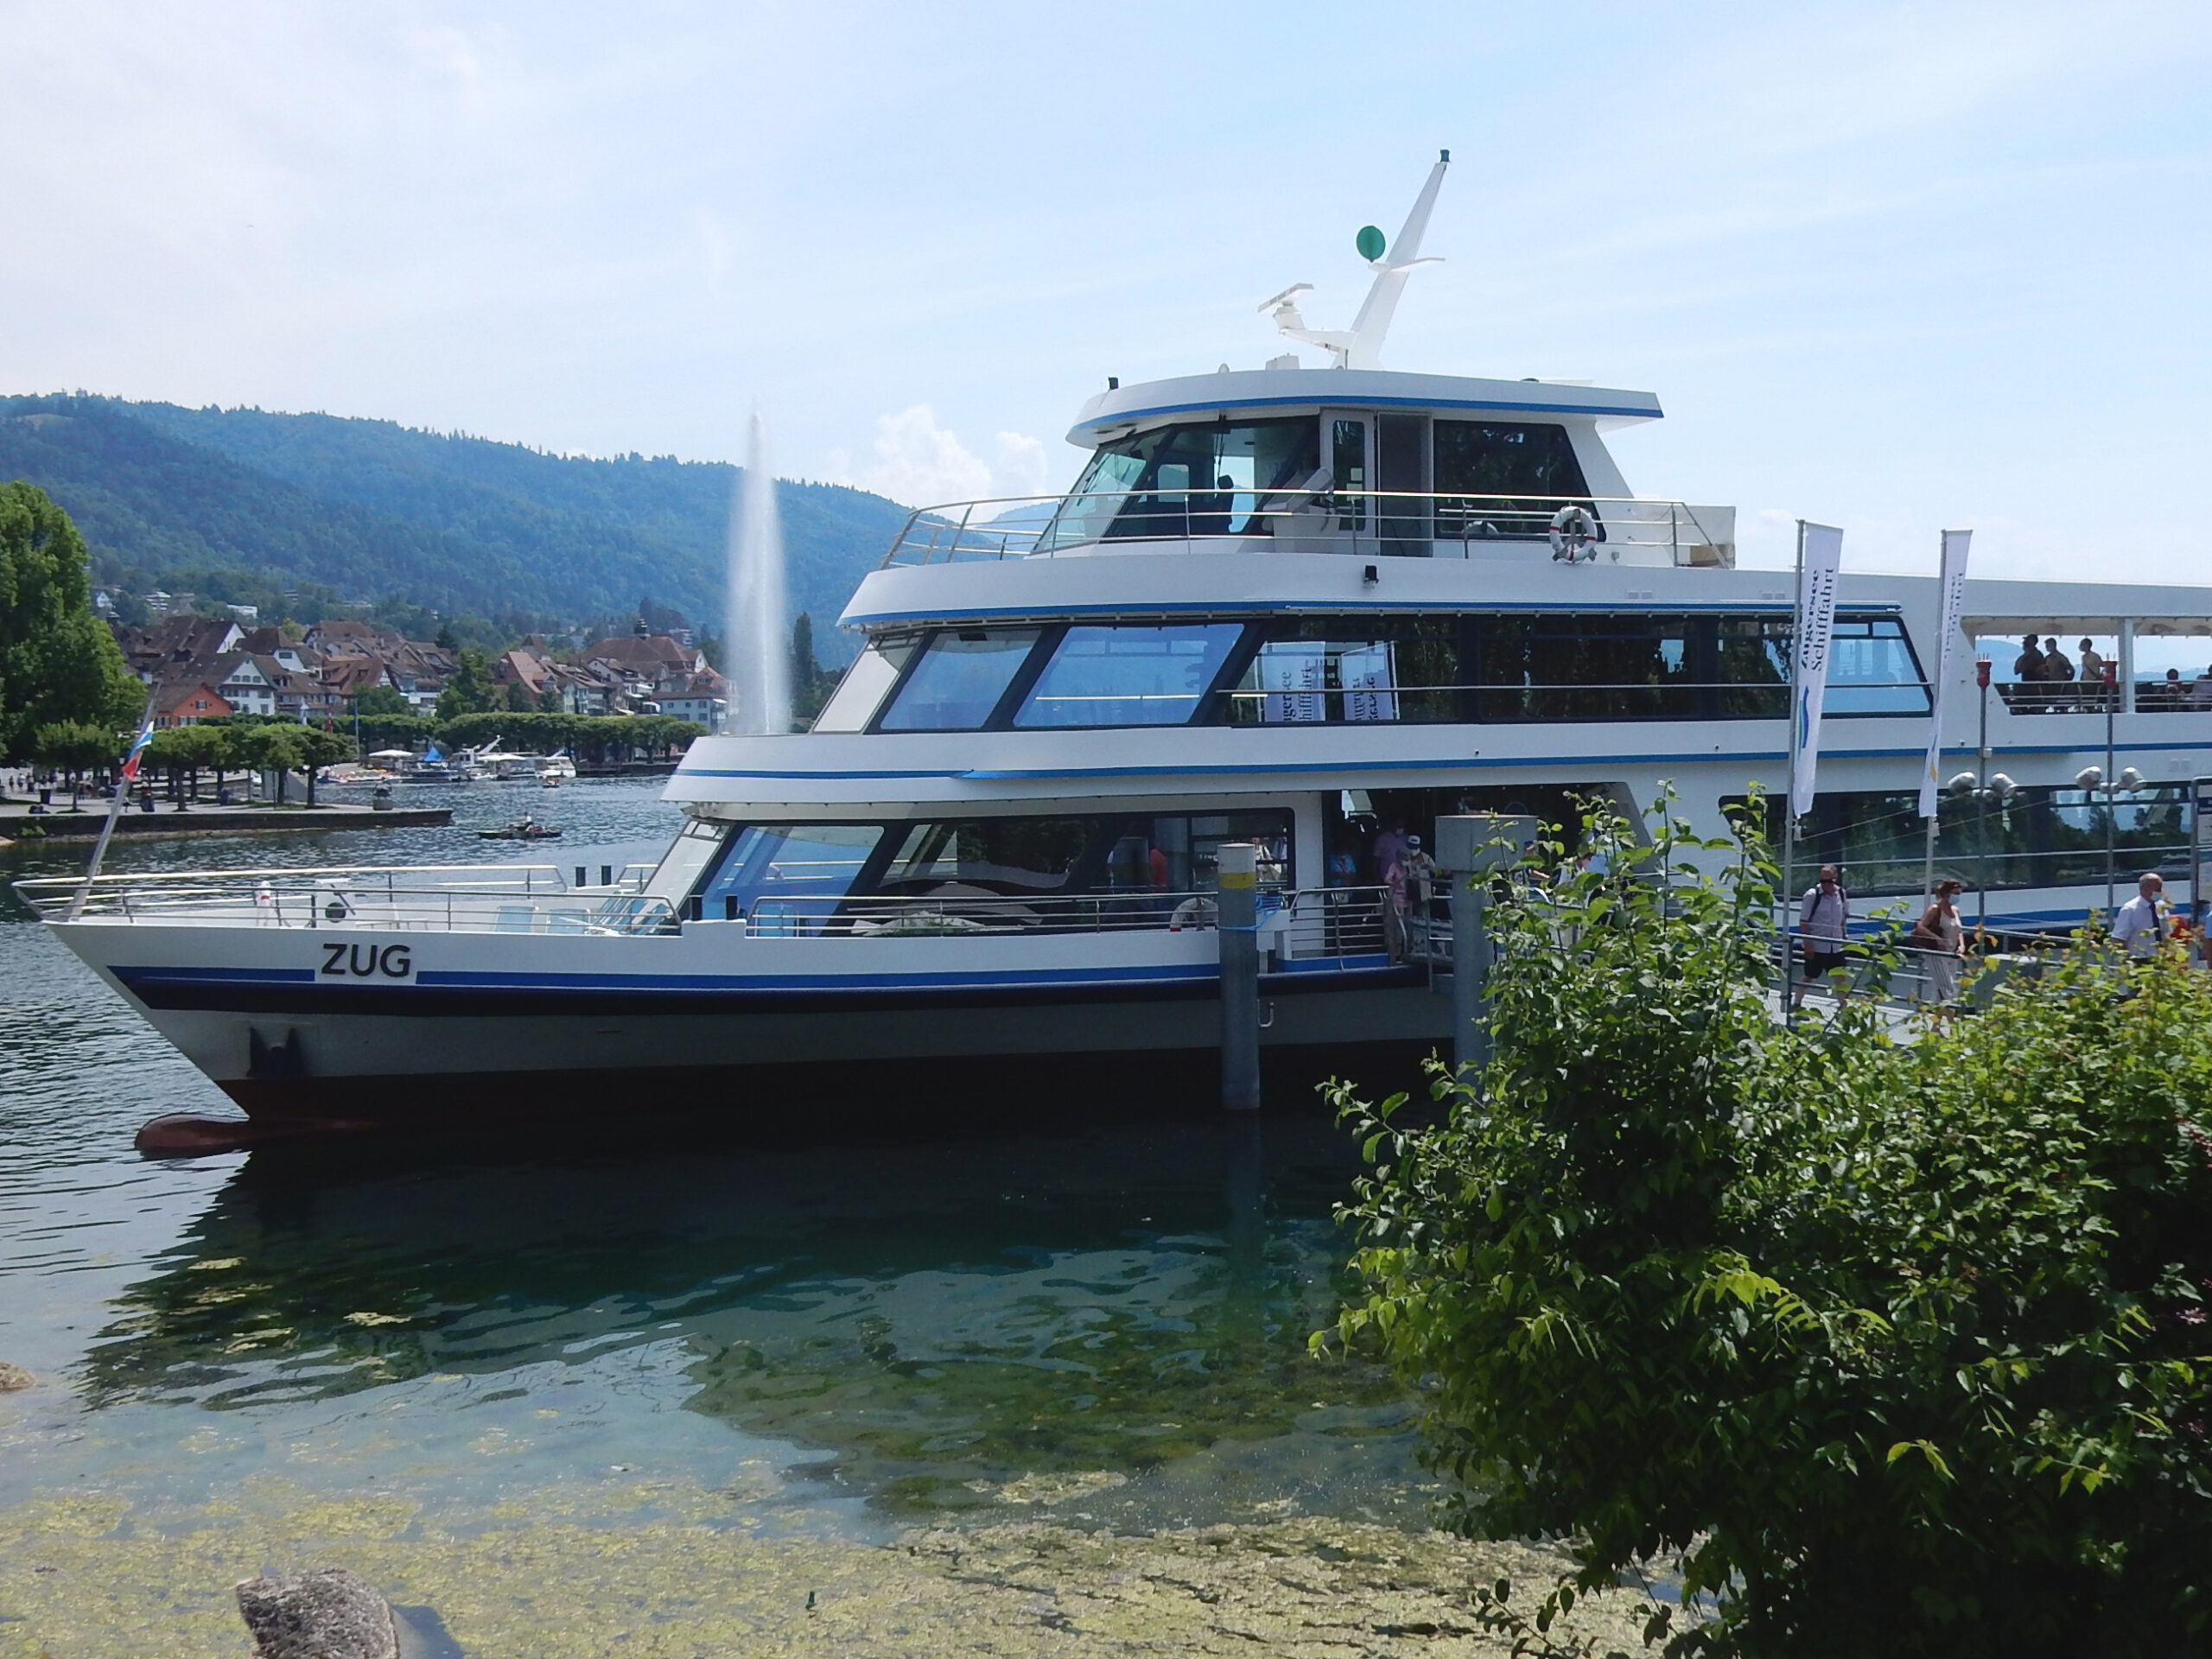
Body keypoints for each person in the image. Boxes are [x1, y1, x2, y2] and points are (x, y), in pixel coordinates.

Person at [1793, 864, 1851, 1008]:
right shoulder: (1812, 895)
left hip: (1836, 945)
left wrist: (1845, 937)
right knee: (1810, 976)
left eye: (1829, 881)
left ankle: (1843, 1009)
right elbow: (1804, 921)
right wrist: (1807, 944)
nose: (1826, 885)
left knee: (1841, 977)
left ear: (1835, 879)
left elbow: (1843, 917)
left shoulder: (1841, 894)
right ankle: (1796, 1003)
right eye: (1823, 881)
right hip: (1818, 944)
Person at [1908, 878, 1967, 1004]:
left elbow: (1959, 930)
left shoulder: (1955, 910)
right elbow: (1921, 926)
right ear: (1946, 894)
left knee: (1939, 989)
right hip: (1937, 952)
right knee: (1948, 988)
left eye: (1959, 894)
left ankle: (1935, 1022)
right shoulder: (1935, 909)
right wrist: (1937, 939)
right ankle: (1952, 1018)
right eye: (1955, 894)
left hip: (1952, 953)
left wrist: (1962, 945)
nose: (1957, 897)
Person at [2110, 871, 2169, 959]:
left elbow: (2167, 934)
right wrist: (2128, 961)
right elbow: (2118, 939)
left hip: (2161, 960)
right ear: (2144, 888)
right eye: (2157, 889)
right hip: (2139, 960)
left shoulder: (2162, 907)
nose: (2160, 892)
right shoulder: (2130, 909)